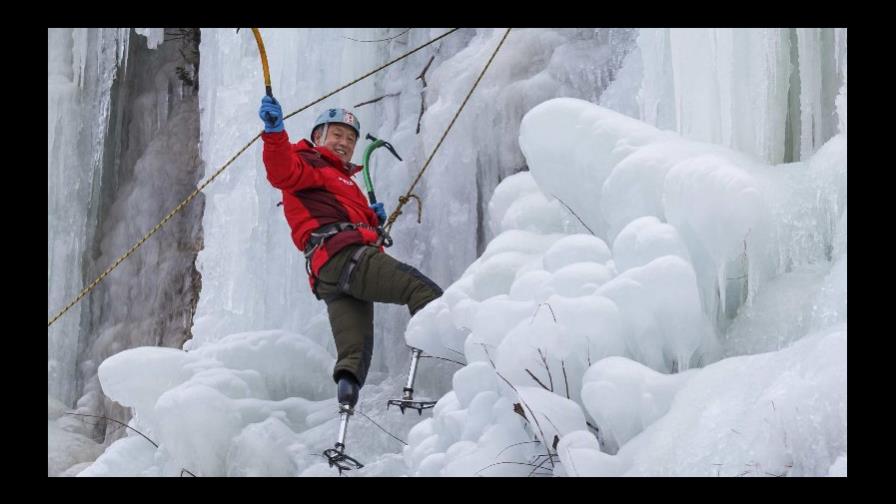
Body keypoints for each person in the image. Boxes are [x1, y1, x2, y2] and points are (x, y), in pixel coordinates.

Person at [258, 95, 443, 409]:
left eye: (350, 138)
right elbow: (281, 171)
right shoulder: (309, 162)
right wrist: (275, 134)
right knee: (422, 290)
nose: (344, 143)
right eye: (337, 135)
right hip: (345, 257)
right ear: (318, 138)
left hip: (328, 274)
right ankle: (446, 369)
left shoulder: (341, 180)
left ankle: (342, 433)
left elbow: (337, 215)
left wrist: (372, 222)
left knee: (353, 356)